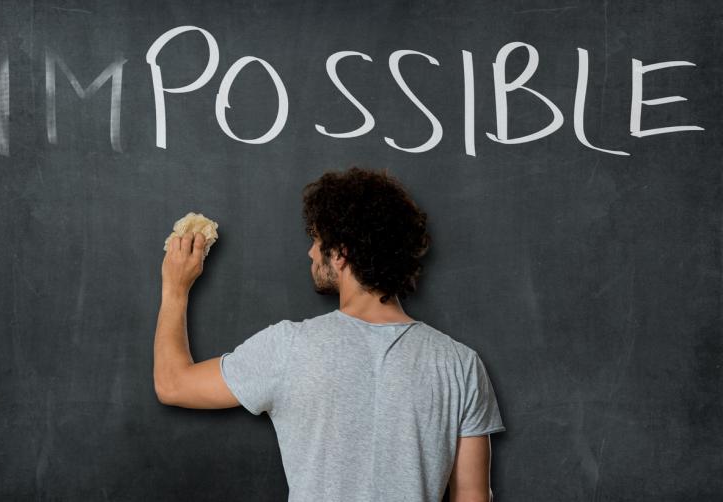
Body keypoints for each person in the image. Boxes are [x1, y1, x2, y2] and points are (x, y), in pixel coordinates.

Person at [154, 166, 506, 502]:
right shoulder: (460, 364)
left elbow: (172, 384)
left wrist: (175, 287)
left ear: (340, 254)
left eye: (317, 240)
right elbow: (474, 496)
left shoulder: (290, 348)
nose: (310, 251)